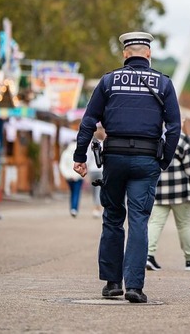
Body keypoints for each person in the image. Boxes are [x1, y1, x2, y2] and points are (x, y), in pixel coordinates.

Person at [72, 31, 181, 303]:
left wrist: (80, 155)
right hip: (147, 160)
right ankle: (134, 286)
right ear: (148, 54)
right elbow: (175, 127)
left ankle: (112, 283)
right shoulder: (164, 84)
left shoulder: (109, 81)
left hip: (114, 158)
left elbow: (88, 121)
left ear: (125, 53)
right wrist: (164, 159)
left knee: (112, 217)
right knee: (139, 220)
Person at [146, 131, 190, 271]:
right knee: (184, 225)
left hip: (159, 189)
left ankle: (148, 255)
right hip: (180, 190)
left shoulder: (155, 136)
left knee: (155, 223)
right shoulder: (183, 139)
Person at [86, 127, 106, 218]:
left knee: (94, 190)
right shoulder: (104, 144)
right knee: (99, 189)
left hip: (92, 170)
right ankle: (97, 208)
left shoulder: (91, 145)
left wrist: (87, 168)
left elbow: (88, 158)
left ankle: (96, 207)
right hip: (101, 169)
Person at [60, 140, 83, 217]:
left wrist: (67, 175)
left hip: (69, 177)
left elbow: (62, 165)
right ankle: (74, 208)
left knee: (72, 192)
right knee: (76, 193)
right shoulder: (80, 153)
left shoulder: (65, 153)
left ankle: (72, 207)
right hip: (78, 177)